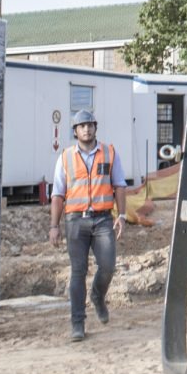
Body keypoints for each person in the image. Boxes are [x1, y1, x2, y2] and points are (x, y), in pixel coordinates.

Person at [49, 109, 127, 342]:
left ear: (95, 127)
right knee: (78, 271)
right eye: (81, 126)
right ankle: (78, 323)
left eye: (90, 124)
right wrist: (54, 225)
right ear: (75, 131)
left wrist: (121, 215)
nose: (86, 129)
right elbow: (57, 194)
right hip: (75, 221)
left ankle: (97, 296)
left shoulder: (109, 153)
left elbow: (120, 185)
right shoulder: (65, 157)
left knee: (108, 266)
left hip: (103, 219)